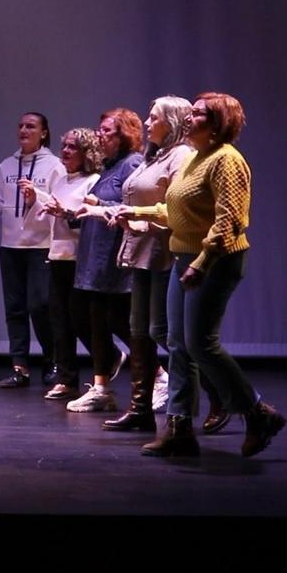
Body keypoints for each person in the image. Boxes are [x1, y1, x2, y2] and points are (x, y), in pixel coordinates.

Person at [125, 93, 284, 457]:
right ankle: (179, 427)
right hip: (184, 256)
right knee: (176, 342)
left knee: (200, 343)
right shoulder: (194, 158)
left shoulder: (227, 160)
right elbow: (177, 210)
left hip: (215, 260)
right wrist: (136, 212)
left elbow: (231, 220)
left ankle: (258, 412)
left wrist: (202, 261)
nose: (189, 118)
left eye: (198, 113)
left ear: (217, 123)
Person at [100, 97, 194, 431]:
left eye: (154, 117)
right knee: (139, 331)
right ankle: (140, 408)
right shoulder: (154, 155)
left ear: (173, 122)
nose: (146, 122)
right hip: (142, 250)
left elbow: (178, 208)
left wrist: (139, 217)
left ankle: (215, 395)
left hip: (165, 252)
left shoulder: (181, 156)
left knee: (163, 332)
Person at [0, 112, 64, 388]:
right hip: (10, 246)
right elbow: (0, 205)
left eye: (31, 126)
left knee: (40, 305)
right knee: (14, 308)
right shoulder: (6, 166)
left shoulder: (54, 166)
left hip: (40, 245)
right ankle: (19, 366)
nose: (24, 130)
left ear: (43, 133)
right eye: (21, 126)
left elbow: (59, 203)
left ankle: (52, 360)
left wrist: (36, 198)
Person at [64, 109, 144, 413]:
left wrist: (99, 203)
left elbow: (134, 206)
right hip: (94, 257)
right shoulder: (108, 167)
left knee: (117, 321)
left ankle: (157, 378)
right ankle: (101, 388)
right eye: (100, 129)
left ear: (123, 135)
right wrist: (69, 213)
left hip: (113, 257)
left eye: (107, 130)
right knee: (96, 321)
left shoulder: (131, 164)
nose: (100, 135)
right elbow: (94, 211)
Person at [37, 128, 101, 401]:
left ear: (86, 152)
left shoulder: (93, 181)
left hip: (79, 260)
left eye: (72, 147)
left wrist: (66, 214)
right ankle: (66, 380)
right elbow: (54, 218)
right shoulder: (61, 181)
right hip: (58, 257)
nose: (65, 151)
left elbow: (91, 222)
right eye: (64, 146)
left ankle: (107, 363)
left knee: (80, 321)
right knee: (59, 322)